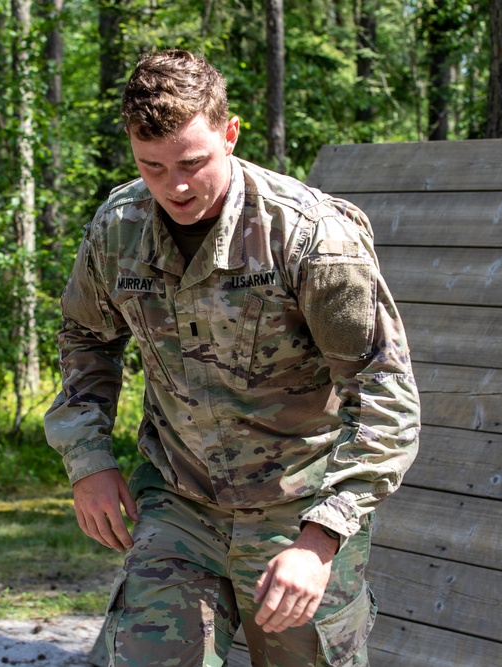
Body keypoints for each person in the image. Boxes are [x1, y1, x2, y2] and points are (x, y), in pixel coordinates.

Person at [44, 49, 420, 667]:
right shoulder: (120, 229)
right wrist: (88, 460)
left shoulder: (311, 239)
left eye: (193, 162)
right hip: (179, 498)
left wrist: (320, 539)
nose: (176, 187)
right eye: (152, 167)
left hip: (301, 506)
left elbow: (385, 397)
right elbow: (86, 336)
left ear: (230, 132)